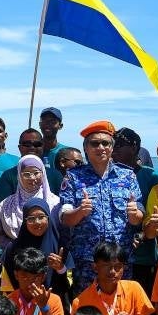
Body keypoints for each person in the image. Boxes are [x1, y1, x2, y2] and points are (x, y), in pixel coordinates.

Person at [59, 121, 143, 292]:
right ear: (86, 149)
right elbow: (65, 218)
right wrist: (80, 211)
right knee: (87, 312)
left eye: (106, 143)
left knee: (121, 308)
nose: (101, 147)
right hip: (88, 261)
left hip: (120, 260)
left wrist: (136, 215)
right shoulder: (73, 177)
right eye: (95, 143)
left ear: (112, 148)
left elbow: (138, 213)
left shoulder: (128, 176)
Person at [113, 127, 158, 292]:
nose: (113, 149)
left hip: (143, 256)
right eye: (112, 144)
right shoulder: (107, 175)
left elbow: (157, 215)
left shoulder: (152, 176)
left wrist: (142, 233)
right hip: (114, 256)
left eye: (119, 145)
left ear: (134, 147)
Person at [0, 160, 59, 288]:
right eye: (26, 174)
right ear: (19, 175)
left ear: (43, 174)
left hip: (50, 262)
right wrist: (14, 249)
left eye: (36, 173)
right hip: (17, 264)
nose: (32, 178)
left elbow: (61, 234)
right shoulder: (6, 205)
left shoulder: (56, 203)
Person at [0, 128, 45, 205]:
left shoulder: (55, 176)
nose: (32, 147)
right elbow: (3, 208)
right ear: (19, 147)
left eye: (37, 144)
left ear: (43, 147)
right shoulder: (8, 176)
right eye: (27, 145)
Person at [37, 107, 67, 193]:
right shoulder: (33, 150)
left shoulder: (67, 152)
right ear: (40, 124)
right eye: (45, 121)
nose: (48, 124)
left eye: (52, 121)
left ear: (60, 126)